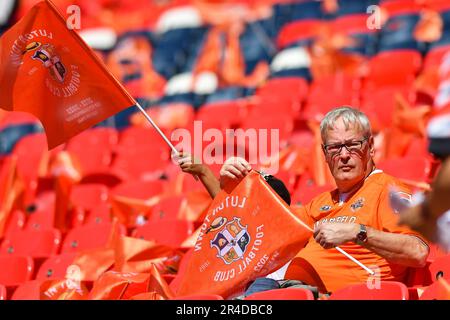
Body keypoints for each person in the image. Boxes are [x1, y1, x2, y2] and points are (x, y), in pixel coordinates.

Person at [219, 106, 430, 294]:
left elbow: (418, 251)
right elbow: (257, 230)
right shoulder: (321, 202)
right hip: (279, 286)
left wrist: (358, 232)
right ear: (325, 154)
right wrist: (233, 185)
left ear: (371, 147)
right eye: (335, 148)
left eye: (353, 145)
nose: (344, 155)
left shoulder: (389, 191)